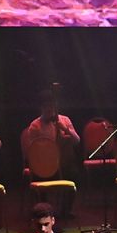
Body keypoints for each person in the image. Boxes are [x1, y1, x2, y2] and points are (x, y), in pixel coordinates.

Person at [21, 90, 81, 218]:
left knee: (73, 173)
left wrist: (65, 129)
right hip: (44, 164)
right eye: (47, 106)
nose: (50, 109)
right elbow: (32, 152)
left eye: (52, 106)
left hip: (63, 163)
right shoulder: (35, 125)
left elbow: (77, 141)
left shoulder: (65, 120)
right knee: (40, 177)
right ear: (41, 107)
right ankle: (45, 211)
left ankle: (65, 210)